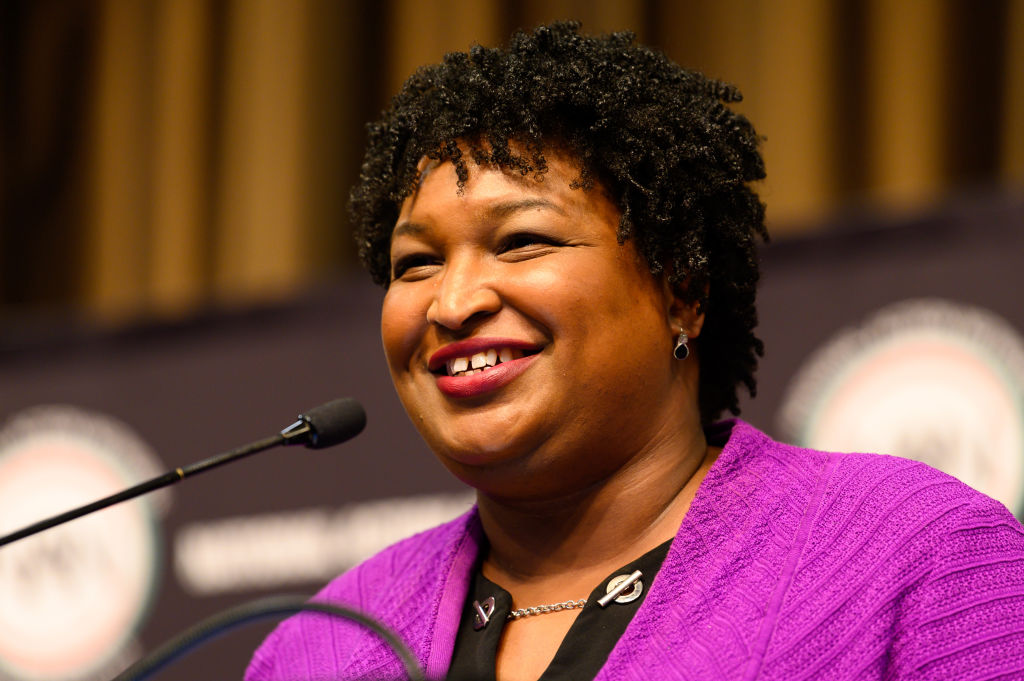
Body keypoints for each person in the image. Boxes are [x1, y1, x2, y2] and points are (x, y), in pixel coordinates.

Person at [246, 22, 1024, 681]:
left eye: (521, 242)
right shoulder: (321, 645)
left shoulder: (917, 556)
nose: (452, 303)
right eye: (415, 263)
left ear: (681, 289)